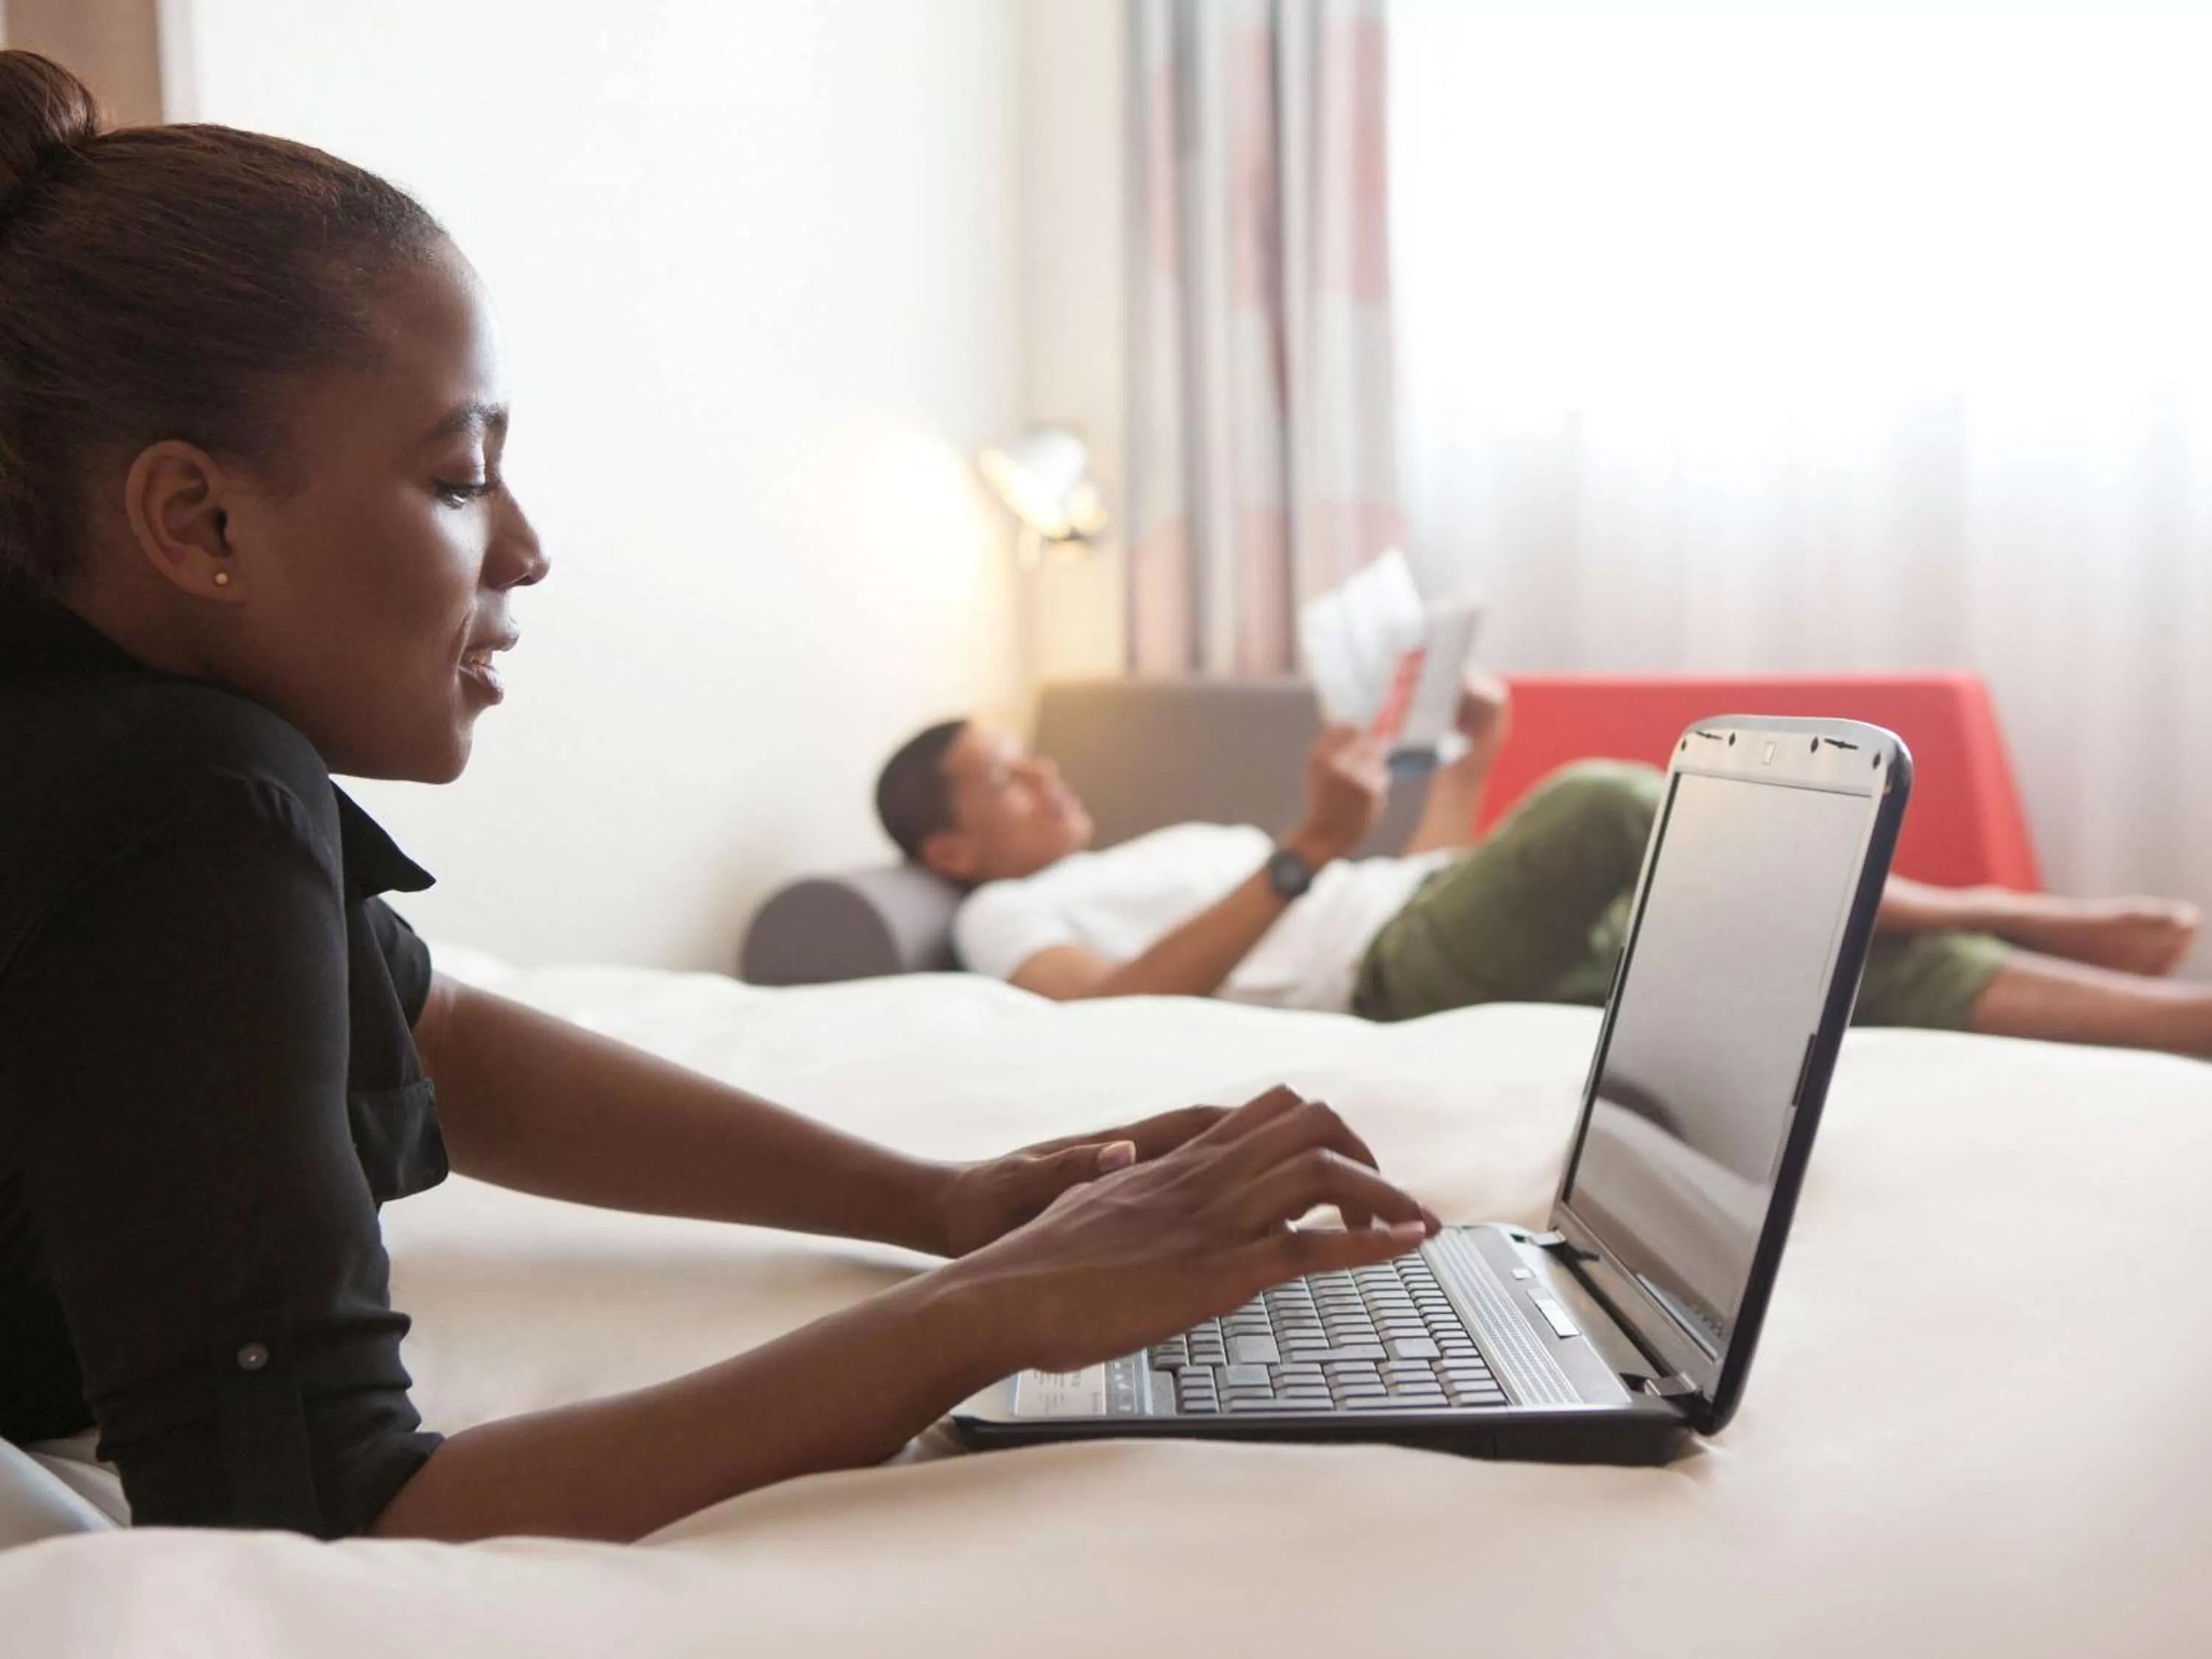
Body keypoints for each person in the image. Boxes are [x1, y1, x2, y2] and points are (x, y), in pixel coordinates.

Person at [0, 52, 1441, 1544]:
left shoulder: (94, 752)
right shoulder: (179, 800)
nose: (529, 548)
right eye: (457, 479)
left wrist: (939, 1203)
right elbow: (329, 1516)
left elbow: (435, 1035)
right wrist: (993, 1311)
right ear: (197, 516)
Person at [874, 678, 2212, 1060]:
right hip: (1395, 985)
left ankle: (2183, 1026)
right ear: (949, 846)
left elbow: (1432, 871)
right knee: (1596, 804)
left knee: (1789, 964)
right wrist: (1305, 852)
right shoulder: (1005, 909)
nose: (1045, 773)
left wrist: (1472, 758)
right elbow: (1111, 1015)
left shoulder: (1150, 849)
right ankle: (2009, 906)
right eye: (1008, 776)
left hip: (1430, 923)